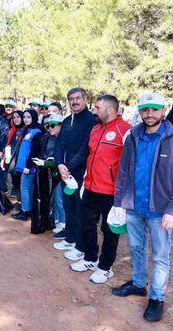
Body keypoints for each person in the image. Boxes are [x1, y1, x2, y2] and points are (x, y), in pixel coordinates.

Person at [112, 91, 173, 322]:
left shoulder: (170, 137)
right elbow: (124, 170)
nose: (149, 114)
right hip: (133, 205)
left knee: (160, 257)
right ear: (140, 112)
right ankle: (138, 283)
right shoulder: (133, 136)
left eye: (154, 109)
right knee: (136, 248)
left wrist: (171, 210)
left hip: (160, 210)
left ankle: (157, 299)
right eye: (145, 110)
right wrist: (119, 202)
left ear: (163, 111)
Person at [68, 95, 131, 283]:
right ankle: (90, 258)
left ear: (110, 109)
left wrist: (123, 195)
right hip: (90, 187)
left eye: (97, 107)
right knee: (87, 225)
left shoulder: (126, 130)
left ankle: (105, 267)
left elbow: (130, 165)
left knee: (109, 230)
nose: (94, 110)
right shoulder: (95, 129)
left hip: (111, 192)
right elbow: (87, 154)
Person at [53, 87, 96, 253]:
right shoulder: (66, 120)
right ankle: (70, 238)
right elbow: (59, 143)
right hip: (65, 174)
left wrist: (68, 167)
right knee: (68, 206)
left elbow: (85, 148)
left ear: (85, 99)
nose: (75, 102)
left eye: (78, 98)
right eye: (71, 99)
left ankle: (80, 244)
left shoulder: (91, 120)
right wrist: (59, 164)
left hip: (80, 173)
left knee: (80, 209)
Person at [31, 114, 64, 233]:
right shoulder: (45, 137)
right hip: (47, 173)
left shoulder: (64, 139)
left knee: (59, 199)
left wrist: (47, 163)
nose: (50, 128)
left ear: (61, 125)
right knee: (51, 199)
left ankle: (63, 223)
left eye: (53, 125)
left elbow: (63, 158)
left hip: (61, 174)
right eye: (48, 125)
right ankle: (53, 221)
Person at [11, 110, 43, 220]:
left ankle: (24, 212)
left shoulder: (37, 132)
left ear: (33, 117)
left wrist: (28, 166)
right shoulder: (27, 130)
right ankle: (28, 209)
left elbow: (34, 151)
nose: (26, 119)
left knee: (24, 187)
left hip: (29, 167)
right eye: (24, 117)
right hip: (23, 165)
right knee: (27, 188)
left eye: (28, 117)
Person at [4, 110, 24, 202]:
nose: (16, 119)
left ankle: (22, 204)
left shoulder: (26, 130)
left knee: (21, 183)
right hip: (11, 160)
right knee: (15, 181)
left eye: (18, 117)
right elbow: (8, 144)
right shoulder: (12, 130)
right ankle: (18, 202)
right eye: (14, 117)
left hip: (21, 161)